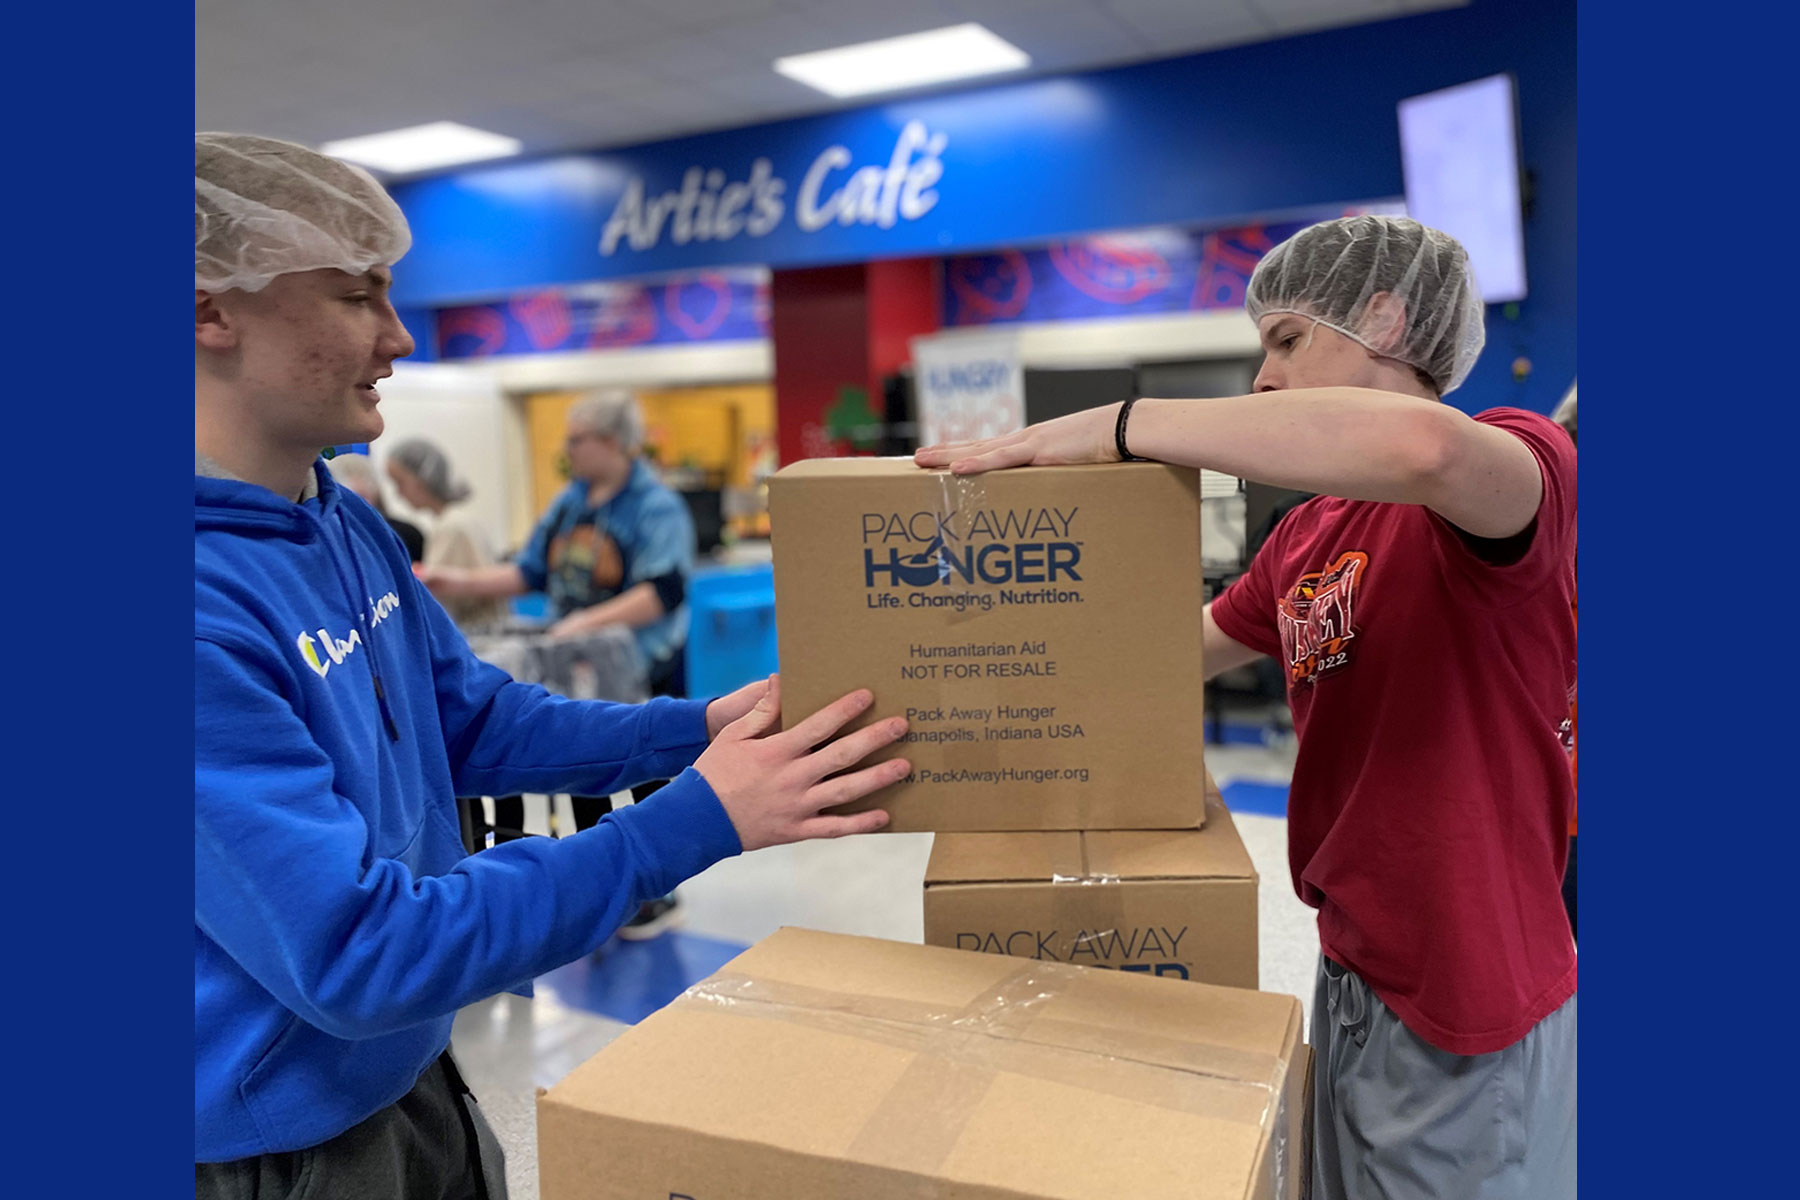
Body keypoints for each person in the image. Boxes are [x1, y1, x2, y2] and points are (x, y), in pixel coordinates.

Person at [195, 132, 910, 1200]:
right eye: (355, 296)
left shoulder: (338, 521)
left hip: (405, 1074)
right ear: (208, 308)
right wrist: (691, 822)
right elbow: (357, 952)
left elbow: (472, 724)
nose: (398, 336)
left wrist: (695, 732)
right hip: (263, 1140)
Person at [916, 215, 1577, 1199]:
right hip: (1357, 966)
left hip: (1469, 984)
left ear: (1385, 317)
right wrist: (965, 673)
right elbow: (1169, 656)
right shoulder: (1307, 533)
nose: (1261, 374)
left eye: (1286, 339)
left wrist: (1118, 424)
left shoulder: (1517, 463)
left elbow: (1427, 452)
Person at [420, 389, 697, 936]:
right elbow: (530, 573)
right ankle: (613, 886)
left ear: (613, 442)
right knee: (589, 770)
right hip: (578, 664)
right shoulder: (570, 504)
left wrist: (584, 623)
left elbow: (662, 591)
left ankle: (659, 894)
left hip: (640, 664)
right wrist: (451, 580)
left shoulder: (655, 507)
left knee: (649, 774)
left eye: (577, 439)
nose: (567, 449)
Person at [385, 438, 508, 629]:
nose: (398, 493)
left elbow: (437, 602)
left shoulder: (451, 527)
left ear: (421, 479)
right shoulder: (458, 520)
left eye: (400, 482)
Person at [323, 451, 425, 563]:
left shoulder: (406, 535)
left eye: (364, 497)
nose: (362, 505)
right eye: (356, 498)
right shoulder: (329, 539)